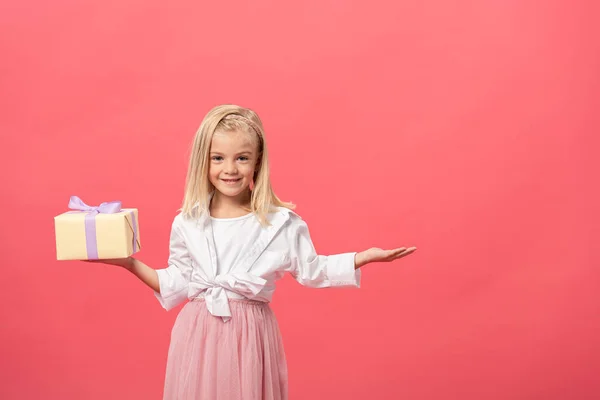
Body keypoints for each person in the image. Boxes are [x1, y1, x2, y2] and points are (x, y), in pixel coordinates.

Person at [88, 104, 417, 399]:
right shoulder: (188, 222)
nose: (229, 168)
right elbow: (178, 281)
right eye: (218, 158)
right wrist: (128, 263)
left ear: (257, 161)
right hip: (198, 335)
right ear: (204, 161)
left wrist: (363, 257)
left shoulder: (280, 223)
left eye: (241, 158)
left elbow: (313, 270)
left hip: (251, 336)